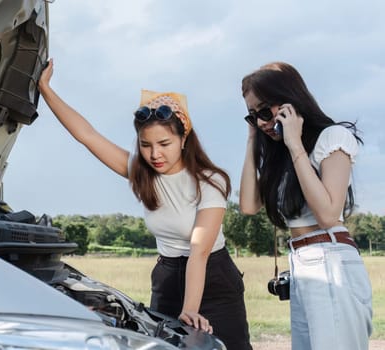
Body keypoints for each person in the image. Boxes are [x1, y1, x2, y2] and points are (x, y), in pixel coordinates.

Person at [38, 58, 252, 350]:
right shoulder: (141, 172)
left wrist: (190, 309)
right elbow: (87, 136)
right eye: (145, 144)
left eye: (164, 144)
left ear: (183, 139)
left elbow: (199, 251)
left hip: (213, 279)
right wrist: (45, 89)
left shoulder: (210, 181)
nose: (154, 154)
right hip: (167, 277)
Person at [239, 61, 373, 350]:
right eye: (253, 116)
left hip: (331, 259)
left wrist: (296, 144)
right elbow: (249, 205)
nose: (262, 122)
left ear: (290, 101)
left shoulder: (332, 138)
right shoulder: (279, 154)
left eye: (265, 111)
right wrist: (253, 140)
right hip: (301, 264)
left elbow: (327, 213)